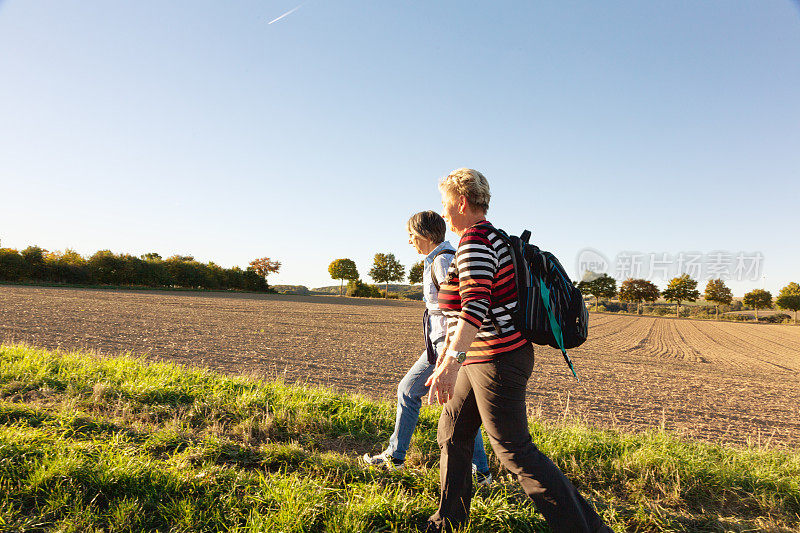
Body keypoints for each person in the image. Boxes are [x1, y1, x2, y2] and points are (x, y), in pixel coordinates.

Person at [425, 169, 611, 533]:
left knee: (514, 451)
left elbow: (474, 308)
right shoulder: (491, 238)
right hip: (483, 358)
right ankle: (448, 522)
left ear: (462, 202)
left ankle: (586, 529)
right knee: (452, 432)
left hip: (496, 360)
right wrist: (452, 360)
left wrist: (450, 363)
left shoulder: (476, 242)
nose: (443, 212)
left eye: (445, 204)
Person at [362, 210, 492, 485]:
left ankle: (396, 457)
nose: (410, 241)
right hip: (441, 346)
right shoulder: (438, 258)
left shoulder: (443, 261)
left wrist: (449, 354)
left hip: (446, 347)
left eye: (411, 235)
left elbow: (459, 308)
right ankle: (480, 472)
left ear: (425, 235)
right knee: (455, 407)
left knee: (412, 392)